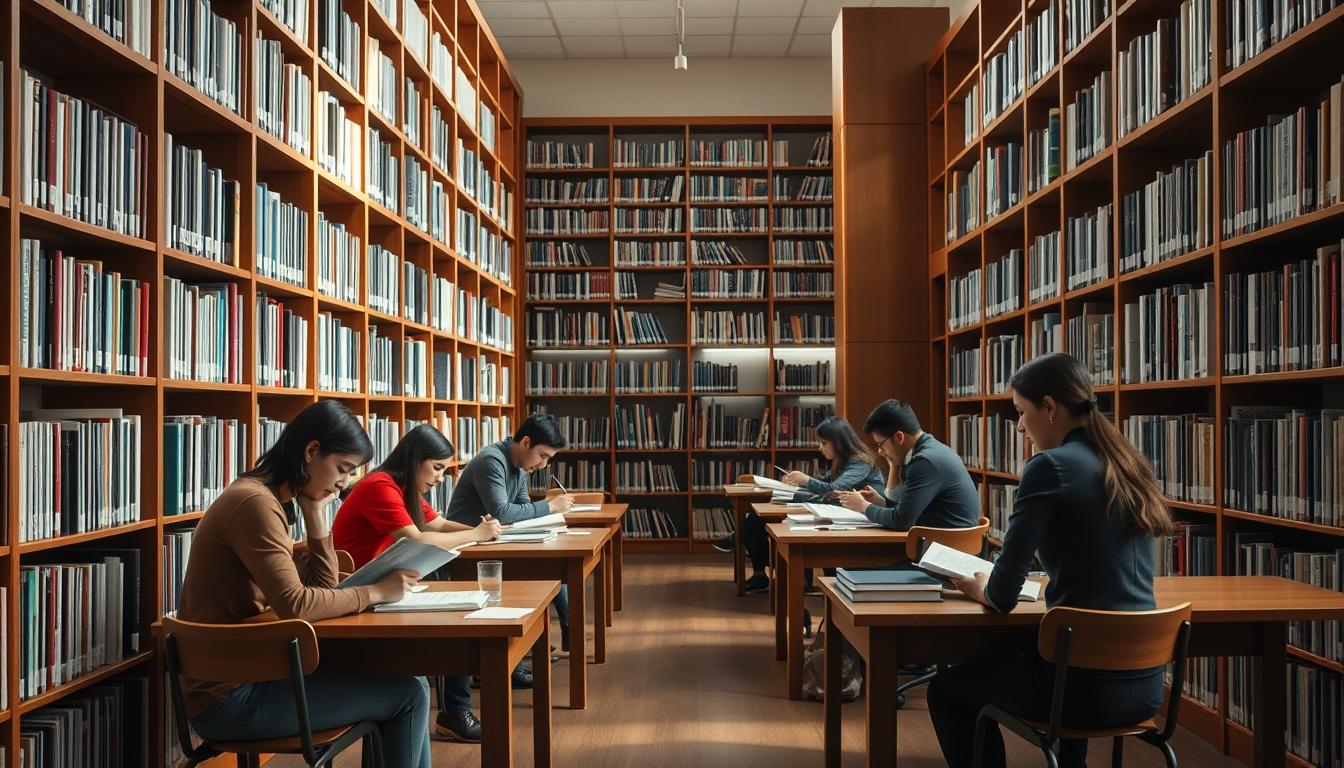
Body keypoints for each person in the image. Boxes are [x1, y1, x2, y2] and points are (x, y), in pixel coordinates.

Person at [928, 353, 1174, 768]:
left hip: (1079, 689)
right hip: (1147, 686)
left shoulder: (1048, 467)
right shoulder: (1128, 462)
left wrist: (980, 588)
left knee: (946, 689)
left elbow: (1004, 596)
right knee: (1060, 651)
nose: (1021, 427)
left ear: (1049, 407)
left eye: (1022, 413)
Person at [176, 400, 432, 768]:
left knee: (414, 684)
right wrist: (376, 592)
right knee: (409, 693)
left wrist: (315, 515)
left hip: (251, 674)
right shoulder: (254, 503)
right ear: (312, 451)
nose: (344, 483)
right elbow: (296, 606)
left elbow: (322, 590)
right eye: (342, 469)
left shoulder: (267, 498)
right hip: (229, 698)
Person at [332, 425, 502, 743]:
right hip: (360, 592)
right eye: (437, 468)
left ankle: (454, 712)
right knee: (454, 625)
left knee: (460, 618)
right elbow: (419, 539)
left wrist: (483, 529)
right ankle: (454, 711)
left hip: (390, 585)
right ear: (415, 461)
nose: (440, 478)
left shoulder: (404, 488)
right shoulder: (379, 486)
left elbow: (436, 523)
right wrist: (476, 535)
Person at [446, 413, 575, 649]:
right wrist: (550, 506)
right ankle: (540, 641)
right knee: (544, 565)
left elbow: (523, 507)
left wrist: (539, 517)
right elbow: (504, 513)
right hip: (465, 549)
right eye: (542, 456)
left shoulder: (519, 466)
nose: (543, 465)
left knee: (549, 559)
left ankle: (552, 636)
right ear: (526, 442)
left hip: (493, 540)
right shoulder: (492, 460)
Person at [737, 416, 883, 596]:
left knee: (788, 518)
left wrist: (805, 481)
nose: (820, 448)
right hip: (841, 512)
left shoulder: (860, 461)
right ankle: (796, 578)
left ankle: (807, 581)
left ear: (838, 442)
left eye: (823, 442)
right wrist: (800, 482)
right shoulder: (843, 460)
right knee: (764, 519)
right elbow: (826, 481)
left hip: (863, 519)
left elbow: (835, 488)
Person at [834, 399, 980, 531]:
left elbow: (901, 521)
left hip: (945, 552)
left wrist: (864, 507)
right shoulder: (929, 449)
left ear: (899, 437)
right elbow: (902, 510)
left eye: (880, 444)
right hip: (941, 544)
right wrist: (879, 501)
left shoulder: (924, 462)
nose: (879, 452)